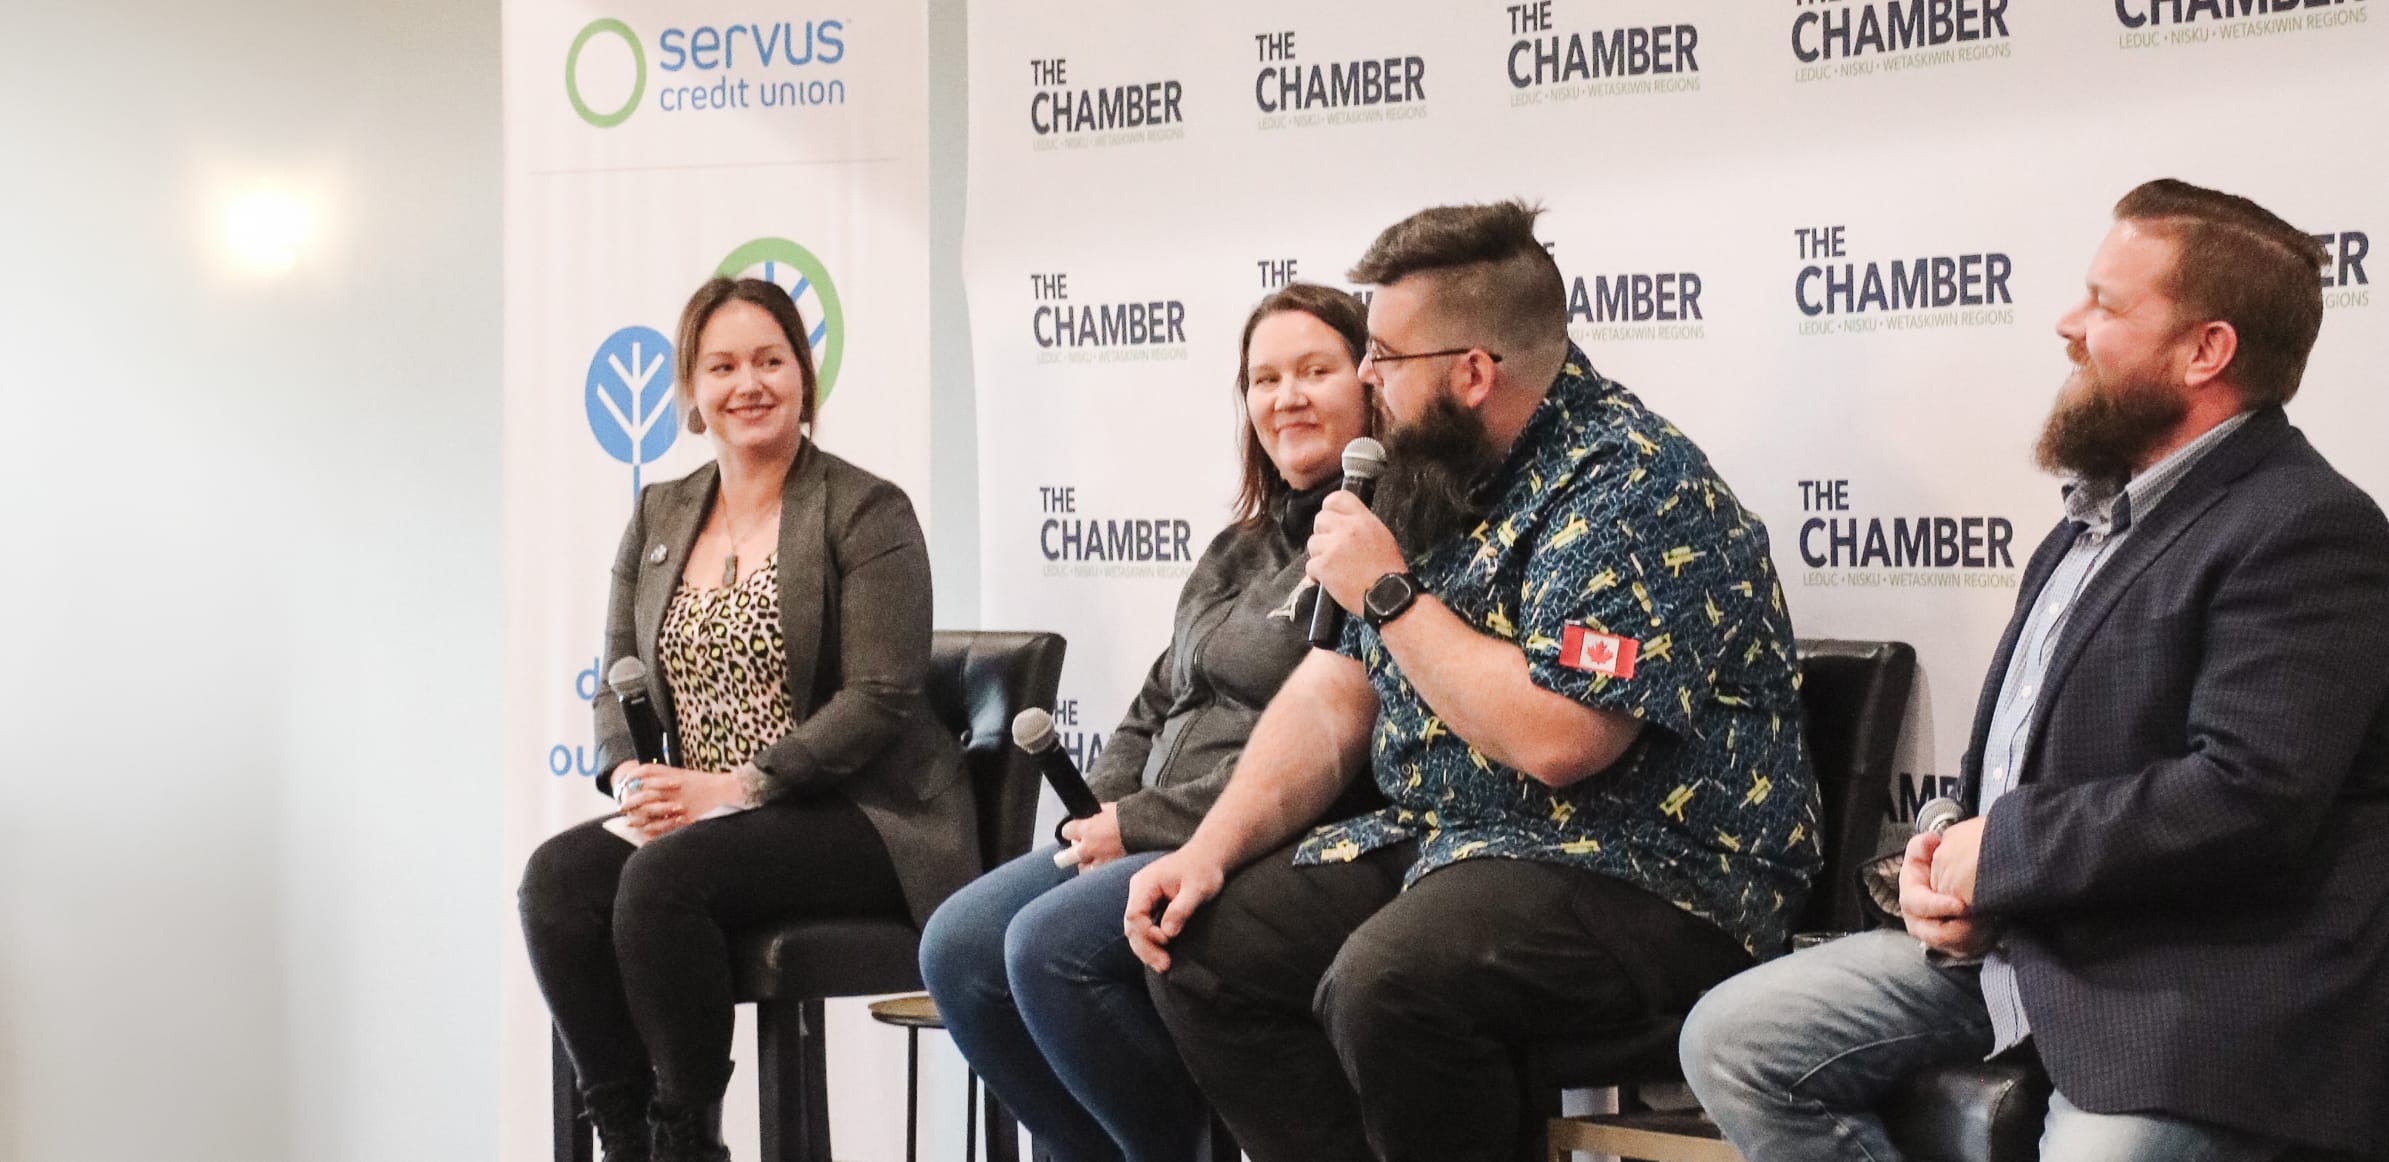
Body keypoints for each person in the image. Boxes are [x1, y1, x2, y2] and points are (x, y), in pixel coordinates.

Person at [1681, 179, 2389, 1161]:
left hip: (2187, 987)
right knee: (1736, 1038)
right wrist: (1943, 853)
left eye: (2104, 303)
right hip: (2025, 949)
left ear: (2204, 351)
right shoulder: (2089, 522)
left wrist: (2004, 854)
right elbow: (2004, 767)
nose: (2067, 323)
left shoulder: (2307, 528)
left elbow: (2249, 795)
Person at [1124, 201, 1817, 1162]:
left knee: (1392, 981)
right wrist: (1209, 847)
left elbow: (1562, 740)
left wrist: (1390, 594)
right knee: (1205, 948)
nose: (1366, 378)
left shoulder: (1630, 488)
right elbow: (1336, 692)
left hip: (1657, 873)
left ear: (1472, 372)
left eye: (1384, 357)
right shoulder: (1436, 472)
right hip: (1467, 844)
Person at [518, 277, 974, 1162]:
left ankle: (687, 1139)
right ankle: (625, 1137)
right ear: (691, 391)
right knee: (557, 883)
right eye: (721, 366)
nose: (747, 384)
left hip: (862, 813)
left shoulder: (864, 508)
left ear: (803, 376)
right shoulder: (660, 511)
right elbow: (613, 680)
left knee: (662, 882)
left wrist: (736, 786)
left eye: (769, 360)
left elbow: (878, 697)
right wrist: (629, 776)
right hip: (710, 815)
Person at [918, 284, 1377, 1162]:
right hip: (1145, 827)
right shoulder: (1235, 549)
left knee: (1046, 948)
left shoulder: (1378, 540)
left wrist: (1140, 825)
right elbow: (1154, 703)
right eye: (1264, 377)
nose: (1287, 397)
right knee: (958, 948)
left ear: (1366, 386)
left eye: (1315, 371)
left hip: (1260, 838)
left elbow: (1330, 749)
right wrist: (1108, 812)